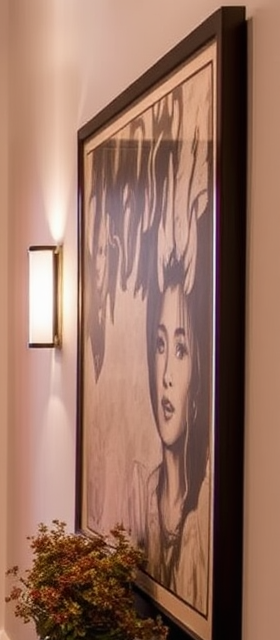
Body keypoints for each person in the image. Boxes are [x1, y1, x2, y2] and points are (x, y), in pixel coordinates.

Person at [133, 254, 211, 614]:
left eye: (180, 350)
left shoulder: (204, 520)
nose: (166, 373)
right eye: (160, 345)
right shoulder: (143, 493)